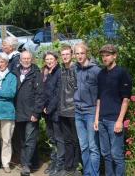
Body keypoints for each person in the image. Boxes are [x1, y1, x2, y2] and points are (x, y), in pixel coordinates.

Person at [95, 44, 133, 176]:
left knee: (116, 155)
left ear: (115, 56)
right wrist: (97, 119)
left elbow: (126, 99)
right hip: (102, 120)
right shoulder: (101, 74)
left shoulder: (122, 73)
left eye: (107, 55)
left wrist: (120, 121)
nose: (104, 58)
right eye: (103, 56)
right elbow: (99, 98)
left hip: (115, 120)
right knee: (106, 154)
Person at [13, 50, 42, 176]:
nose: (26, 60)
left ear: (32, 59)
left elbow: (40, 95)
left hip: (31, 113)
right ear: (20, 60)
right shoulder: (15, 72)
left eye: (28, 58)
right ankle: (31, 162)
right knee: (22, 140)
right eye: (24, 58)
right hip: (18, 112)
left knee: (30, 139)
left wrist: (36, 113)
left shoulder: (36, 73)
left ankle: (26, 165)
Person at [73, 42, 101, 176]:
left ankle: (94, 174)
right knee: (83, 146)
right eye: (77, 53)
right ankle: (87, 173)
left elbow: (101, 95)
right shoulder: (75, 69)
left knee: (93, 147)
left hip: (91, 112)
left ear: (87, 53)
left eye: (82, 53)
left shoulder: (96, 70)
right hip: (78, 112)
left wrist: (97, 116)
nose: (79, 56)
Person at [56, 45, 80, 175]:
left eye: (67, 54)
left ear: (72, 55)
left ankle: (76, 166)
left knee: (76, 140)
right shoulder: (61, 70)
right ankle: (68, 166)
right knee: (67, 140)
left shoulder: (76, 69)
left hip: (74, 110)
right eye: (63, 54)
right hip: (63, 110)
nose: (65, 56)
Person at [40, 51, 62, 176]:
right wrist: (43, 107)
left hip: (56, 112)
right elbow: (43, 92)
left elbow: (57, 94)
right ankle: (53, 163)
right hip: (47, 112)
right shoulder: (46, 72)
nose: (49, 61)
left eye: (51, 59)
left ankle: (59, 165)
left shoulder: (59, 72)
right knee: (52, 139)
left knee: (58, 139)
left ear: (56, 60)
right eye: (47, 59)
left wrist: (49, 108)